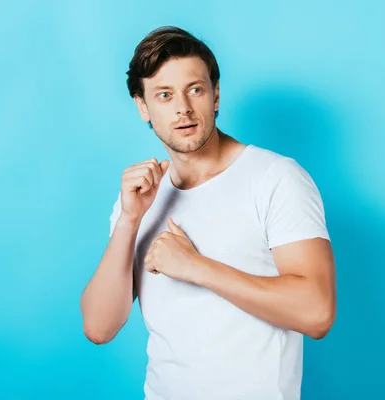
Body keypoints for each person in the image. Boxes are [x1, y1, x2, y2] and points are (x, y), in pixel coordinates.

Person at [80, 26, 337, 400]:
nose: (182, 108)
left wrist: (195, 267)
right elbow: (99, 327)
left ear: (215, 95)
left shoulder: (275, 178)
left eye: (195, 90)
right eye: (164, 95)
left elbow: (317, 312)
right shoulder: (140, 197)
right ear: (142, 106)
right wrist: (129, 221)